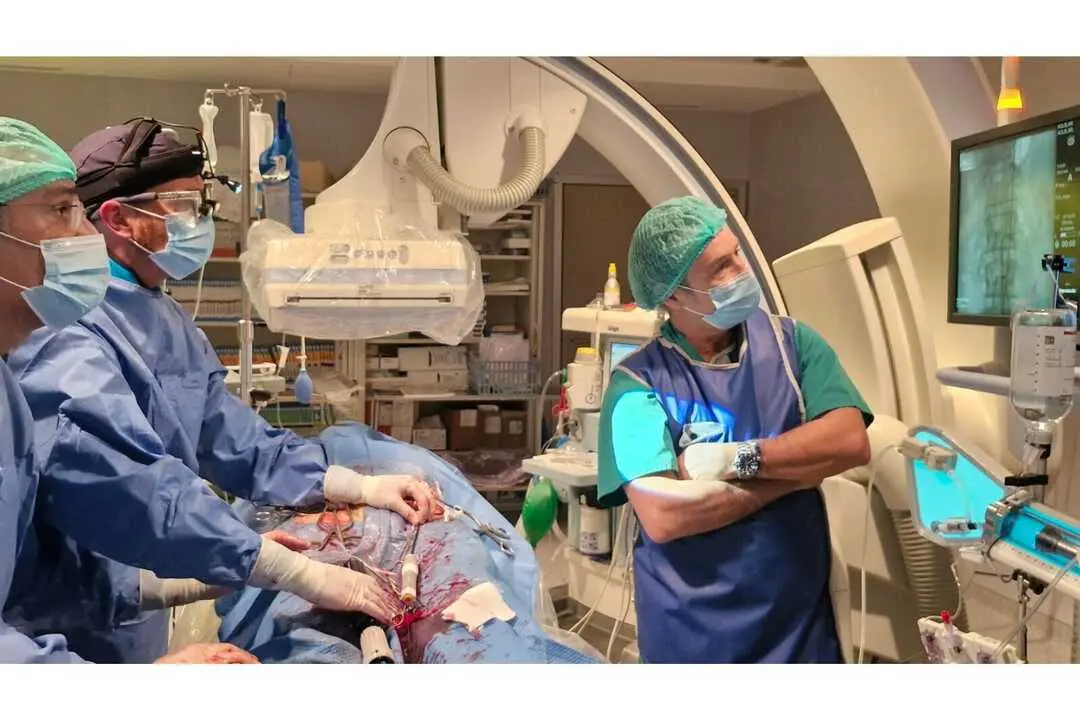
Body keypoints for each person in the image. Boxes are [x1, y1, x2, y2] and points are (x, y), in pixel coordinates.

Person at [5, 117, 437, 663]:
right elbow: (133, 492)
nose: (202, 222)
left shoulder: (160, 317)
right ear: (119, 219)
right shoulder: (57, 330)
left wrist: (354, 484)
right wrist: (286, 569)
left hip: (116, 602)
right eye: (183, 207)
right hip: (54, 641)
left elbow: (232, 439)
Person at [0, 116, 258, 664]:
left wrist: (153, 587)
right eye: (62, 209)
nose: (84, 232)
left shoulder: (8, 385)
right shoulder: (61, 340)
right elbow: (127, 488)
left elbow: (29, 566)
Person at [596, 196, 873, 664]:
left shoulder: (793, 344)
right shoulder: (635, 385)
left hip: (796, 628)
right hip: (692, 634)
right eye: (721, 267)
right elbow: (664, 516)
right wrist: (792, 479)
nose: (742, 271)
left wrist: (739, 459)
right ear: (673, 295)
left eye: (737, 253)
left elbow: (849, 441)